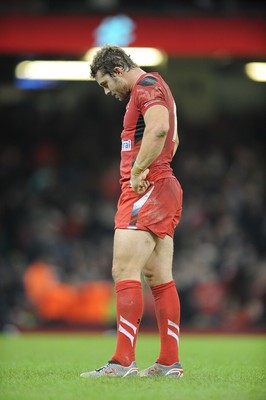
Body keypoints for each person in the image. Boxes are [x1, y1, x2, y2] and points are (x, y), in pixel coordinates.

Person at [80, 45, 183, 378]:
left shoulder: (146, 87)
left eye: (105, 83)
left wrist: (139, 170)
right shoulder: (158, 86)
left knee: (123, 269)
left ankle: (122, 361)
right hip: (162, 186)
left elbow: (160, 130)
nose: (108, 92)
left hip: (147, 187)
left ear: (119, 70)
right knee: (159, 278)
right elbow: (174, 138)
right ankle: (169, 363)